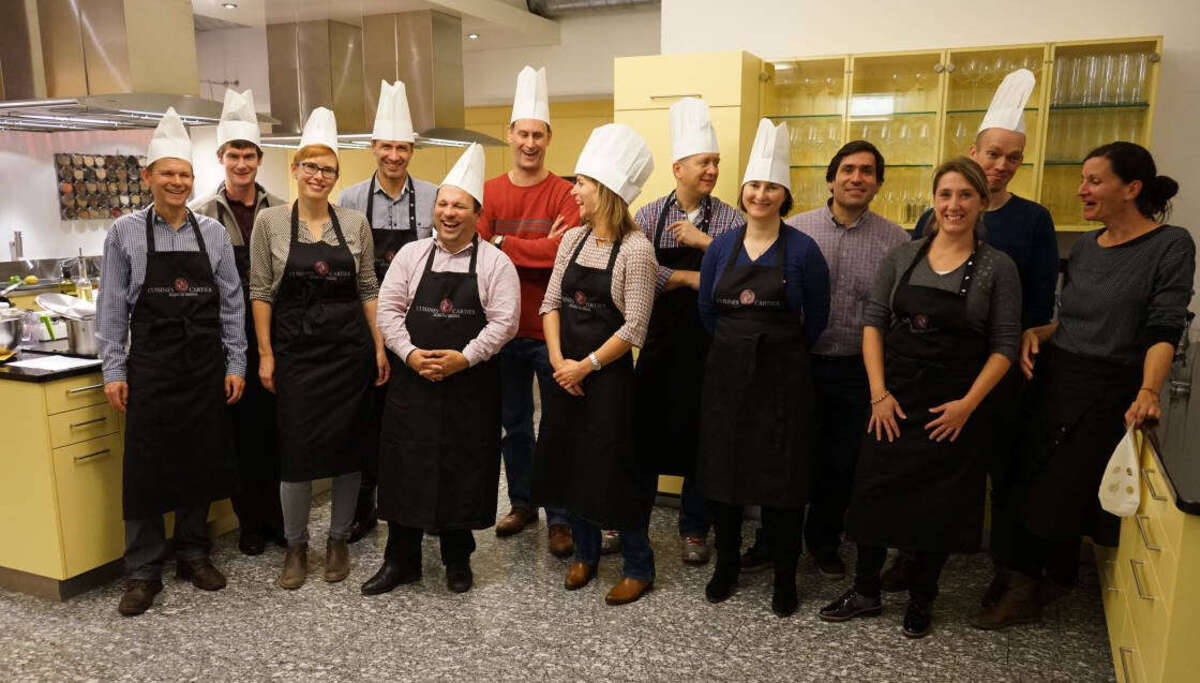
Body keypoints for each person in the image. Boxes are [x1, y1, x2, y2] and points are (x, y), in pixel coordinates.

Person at [975, 142, 1194, 629]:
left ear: (1131, 188)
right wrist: (1037, 333)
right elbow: (1070, 320)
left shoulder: (1170, 245)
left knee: (1057, 488)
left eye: (1094, 181)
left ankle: (1030, 586)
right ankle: (1022, 573)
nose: (1081, 190)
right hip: (1056, 373)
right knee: (1017, 473)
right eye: (1082, 179)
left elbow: (1165, 325)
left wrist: (1149, 390)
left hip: (1109, 384)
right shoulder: (1087, 247)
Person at [821, 157, 1021, 639]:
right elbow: (873, 324)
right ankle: (865, 590)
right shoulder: (903, 256)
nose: (954, 205)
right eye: (945, 194)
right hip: (894, 398)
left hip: (952, 407)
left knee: (938, 507)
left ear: (981, 202)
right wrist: (878, 394)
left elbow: (1005, 345)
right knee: (873, 494)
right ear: (934, 200)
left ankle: (922, 598)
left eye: (965, 195)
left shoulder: (997, 267)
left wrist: (967, 406)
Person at [901, 69, 1059, 601]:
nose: (1002, 165)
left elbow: (1042, 305)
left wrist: (1032, 333)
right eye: (993, 153)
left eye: (1013, 158)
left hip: (999, 365)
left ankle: (1009, 575)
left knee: (1003, 471)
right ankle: (913, 557)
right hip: (937, 365)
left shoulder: (1033, 220)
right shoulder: (936, 214)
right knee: (928, 464)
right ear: (973, 151)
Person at [97, 108, 246, 616]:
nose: (177, 182)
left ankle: (193, 553)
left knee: (200, 461)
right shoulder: (124, 233)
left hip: (204, 365)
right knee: (145, 470)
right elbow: (112, 308)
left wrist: (236, 362)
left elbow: (232, 305)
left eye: (184, 174)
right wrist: (114, 370)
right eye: (167, 173)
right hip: (153, 368)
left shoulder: (213, 233)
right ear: (148, 177)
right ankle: (142, 571)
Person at [364, 144, 520, 596]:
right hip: (413, 384)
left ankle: (457, 559)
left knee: (462, 466)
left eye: (460, 206)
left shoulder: (495, 263)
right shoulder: (411, 256)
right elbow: (388, 311)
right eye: (443, 204)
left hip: (469, 386)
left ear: (477, 214)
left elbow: (505, 322)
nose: (449, 213)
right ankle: (400, 561)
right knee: (404, 466)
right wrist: (411, 354)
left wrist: (463, 358)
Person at [248, 108, 389, 590]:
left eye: (327, 169)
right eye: (310, 166)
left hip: (348, 353)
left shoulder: (354, 223)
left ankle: (338, 540)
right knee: (296, 453)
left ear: (336, 176)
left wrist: (379, 346)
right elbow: (261, 291)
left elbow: (367, 287)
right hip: (296, 353)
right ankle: (295, 546)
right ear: (294, 169)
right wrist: (266, 353)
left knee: (349, 451)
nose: (318, 175)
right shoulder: (269, 223)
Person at [697, 119, 830, 618]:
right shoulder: (721, 247)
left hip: (783, 383)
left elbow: (818, 316)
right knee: (724, 477)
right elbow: (707, 312)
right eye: (753, 185)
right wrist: (739, 346)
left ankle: (785, 576)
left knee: (784, 481)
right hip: (727, 381)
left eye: (771, 187)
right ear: (743, 191)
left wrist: (775, 348)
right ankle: (726, 565)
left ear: (784, 195)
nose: (760, 194)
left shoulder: (804, 250)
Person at [531, 123, 658, 605]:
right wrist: (558, 361)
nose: (573, 190)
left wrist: (584, 366)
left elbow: (635, 328)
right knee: (570, 466)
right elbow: (550, 304)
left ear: (603, 190)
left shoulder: (637, 250)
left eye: (581, 182)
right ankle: (586, 554)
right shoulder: (572, 240)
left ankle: (639, 566)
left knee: (615, 471)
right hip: (565, 375)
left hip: (607, 383)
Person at [779, 140, 909, 579]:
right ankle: (774, 541)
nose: (857, 178)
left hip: (858, 368)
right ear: (831, 179)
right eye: (848, 169)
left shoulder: (896, 241)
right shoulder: (795, 230)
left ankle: (823, 541)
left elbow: (895, 313)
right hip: (800, 363)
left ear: (878, 183)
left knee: (841, 462)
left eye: (867, 171)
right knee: (790, 454)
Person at [632, 97, 741, 566]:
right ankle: (629, 520)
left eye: (716, 162)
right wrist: (688, 277)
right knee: (643, 433)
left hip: (710, 347)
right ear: (678, 168)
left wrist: (705, 247)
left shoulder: (732, 220)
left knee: (704, 438)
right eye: (704, 162)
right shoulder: (647, 216)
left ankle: (695, 528)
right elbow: (635, 272)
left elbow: (744, 277)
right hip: (659, 345)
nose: (712, 170)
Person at [477, 66, 581, 557]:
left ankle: (560, 516)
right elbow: (479, 251)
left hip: (551, 330)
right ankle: (523, 504)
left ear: (549, 138)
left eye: (539, 135)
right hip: (500, 329)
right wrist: (533, 246)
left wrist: (504, 241)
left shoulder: (566, 192)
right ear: (510, 133)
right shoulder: (489, 191)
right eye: (523, 134)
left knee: (556, 426)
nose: (530, 143)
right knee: (513, 425)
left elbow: (565, 252)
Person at [337, 80, 438, 543]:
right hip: (363, 325)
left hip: (420, 324)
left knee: (418, 422)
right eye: (387, 147)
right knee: (367, 421)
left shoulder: (435, 196)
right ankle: (365, 508)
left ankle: (422, 506)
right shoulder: (350, 200)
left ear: (412, 150)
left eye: (402, 148)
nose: (394, 156)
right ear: (373, 147)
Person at [190, 89, 287, 557]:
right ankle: (251, 523)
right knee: (241, 436)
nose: (242, 163)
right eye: (234, 154)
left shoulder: (283, 211)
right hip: (227, 339)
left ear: (260, 159)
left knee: (278, 432)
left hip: (279, 336)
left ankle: (279, 520)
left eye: (249, 155)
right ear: (221, 158)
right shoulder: (200, 215)